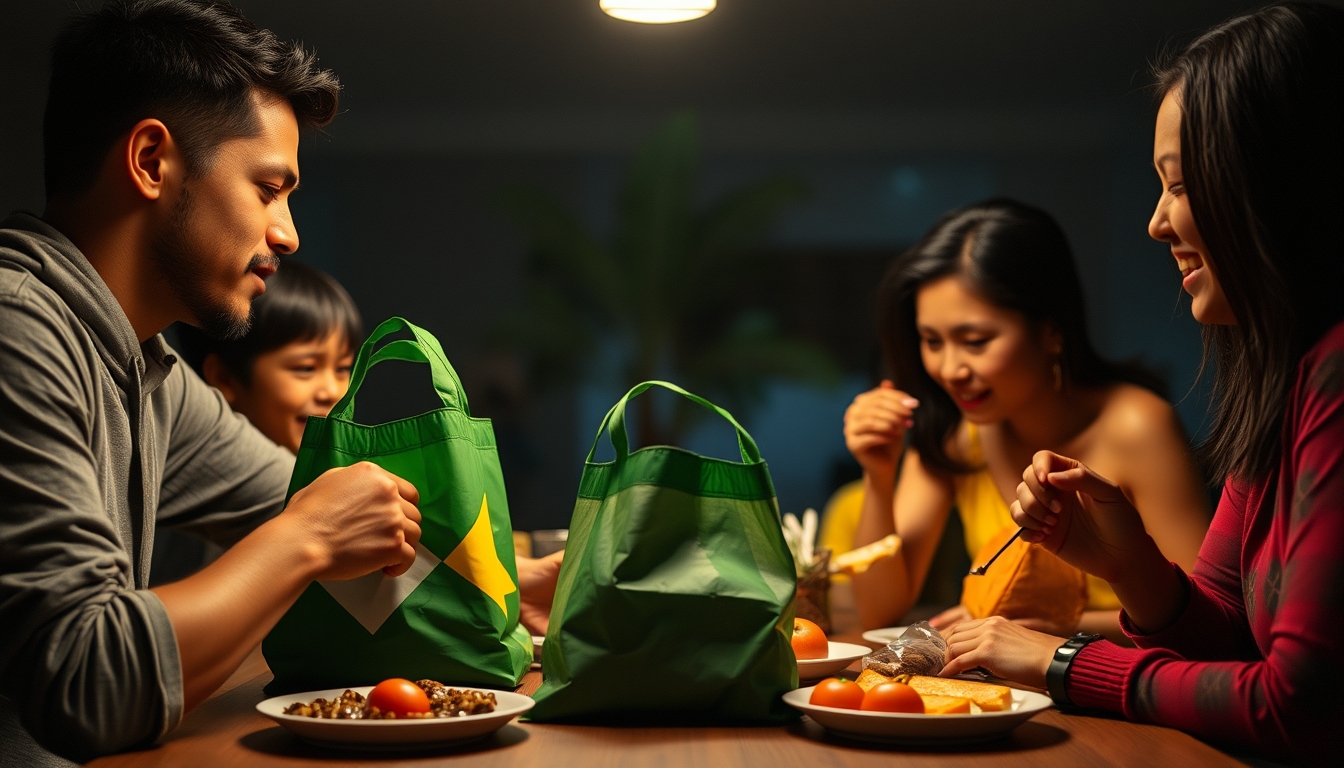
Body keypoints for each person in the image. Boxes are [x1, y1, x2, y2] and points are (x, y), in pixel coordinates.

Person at [0, 2, 557, 764]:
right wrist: (309, 537)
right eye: (268, 189)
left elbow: (320, 502)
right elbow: (88, 684)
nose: (288, 234)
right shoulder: (18, 329)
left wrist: (505, 579)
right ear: (151, 161)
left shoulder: (148, 368)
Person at [938, 4, 1344, 762]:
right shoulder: (1283, 385)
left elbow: (1299, 704)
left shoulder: (1334, 374)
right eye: (932, 342)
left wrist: (1064, 661)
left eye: (1180, 185)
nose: (1157, 223)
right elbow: (1230, 637)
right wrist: (1127, 565)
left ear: (1277, 185)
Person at [844, 198, 1211, 639]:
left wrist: (1055, 629)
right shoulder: (959, 434)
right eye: (932, 341)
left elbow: (1204, 620)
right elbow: (879, 612)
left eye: (975, 341)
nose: (950, 369)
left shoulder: (1138, 427)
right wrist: (878, 473)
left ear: (1051, 330)